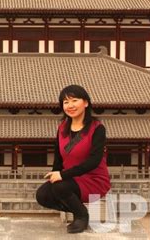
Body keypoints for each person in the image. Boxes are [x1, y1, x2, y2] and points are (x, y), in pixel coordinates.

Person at [35, 85, 111, 233]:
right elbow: (58, 157)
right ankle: (79, 208)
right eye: (65, 102)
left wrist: (62, 176)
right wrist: (55, 174)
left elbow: (94, 161)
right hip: (71, 178)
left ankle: (81, 216)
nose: (70, 105)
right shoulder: (62, 127)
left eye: (74, 100)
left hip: (93, 179)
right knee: (42, 195)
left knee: (60, 186)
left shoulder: (97, 128)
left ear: (86, 103)